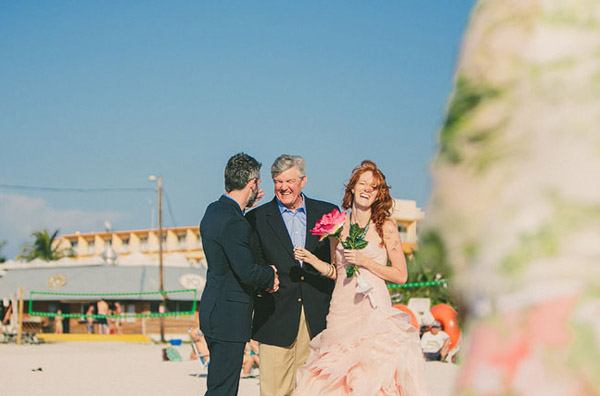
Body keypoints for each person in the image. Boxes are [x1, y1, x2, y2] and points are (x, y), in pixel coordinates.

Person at [293, 160, 427, 395]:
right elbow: (338, 271)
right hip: (342, 308)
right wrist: (314, 261)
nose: (367, 189)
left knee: (372, 373)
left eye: (373, 187)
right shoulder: (338, 225)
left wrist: (366, 262)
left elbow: (401, 275)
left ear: (378, 194)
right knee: (336, 376)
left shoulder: (385, 226)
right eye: (362, 183)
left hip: (372, 309)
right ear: (352, 188)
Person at [246, 154, 337, 396]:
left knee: (312, 389)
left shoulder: (329, 213)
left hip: (318, 317)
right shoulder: (255, 218)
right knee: (274, 390)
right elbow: (253, 266)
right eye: (277, 181)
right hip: (274, 316)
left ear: (303, 181)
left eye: (289, 181)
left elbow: (340, 265)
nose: (283, 187)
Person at [198, 152, 279, 396]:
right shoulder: (235, 222)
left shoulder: (214, 210)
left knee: (219, 384)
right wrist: (270, 274)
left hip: (213, 308)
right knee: (224, 389)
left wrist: (246, 205)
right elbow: (247, 271)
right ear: (252, 183)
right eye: (259, 183)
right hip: (229, 316)